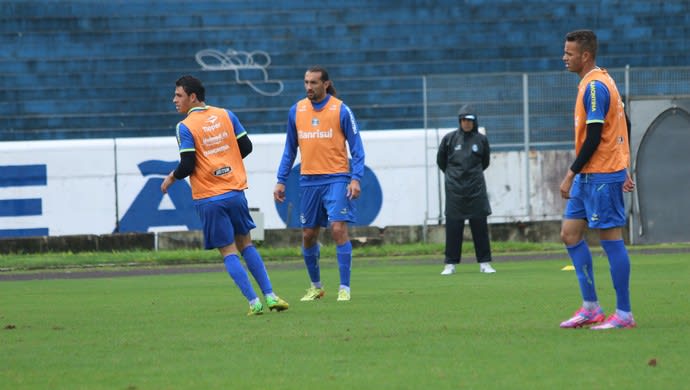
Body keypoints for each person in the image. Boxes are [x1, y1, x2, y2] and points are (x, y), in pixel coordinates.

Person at [161, 75, 289, 316]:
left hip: (209, 197)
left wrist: (171, 177)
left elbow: (187, 164)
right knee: (246, 244)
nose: (174, 100)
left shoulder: (185, 126)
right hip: (234, 191)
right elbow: (247, 147)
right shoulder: (225, 114)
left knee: (229, 251)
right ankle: (270, 295)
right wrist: (225, 162)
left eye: (178, 95)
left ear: (193, 97)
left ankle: (254, 302)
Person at [559, 30, 636, 330]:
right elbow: (624, 123)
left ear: (585, 55)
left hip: (601, 174)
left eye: (569, 53)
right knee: (570, 234)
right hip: (593, 173)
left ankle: (624, 314)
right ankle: (591, 307)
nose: (564, 58)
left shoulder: (594, 87)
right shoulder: (602, 80)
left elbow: (593, 138)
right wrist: (624, 161)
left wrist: (570, 174)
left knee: (610, 240)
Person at [273, 66, 365, 302]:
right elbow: (289, 149)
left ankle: (344, 287)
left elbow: (356, 147)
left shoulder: (341, 109)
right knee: (308, 235)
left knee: (337, 229)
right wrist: (281, 180)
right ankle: (316, 287)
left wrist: (356, 177)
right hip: (309, 181)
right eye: (306, 82)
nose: (308, 87)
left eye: (313, 83)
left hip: (337, 177)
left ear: (326, 84)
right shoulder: (297, 110)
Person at [436, 105, 497, 275]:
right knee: (454, 227)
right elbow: (441, 161)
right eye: (463, 120)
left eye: (469, 120)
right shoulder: (449, 139)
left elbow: (485, 162)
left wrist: (472, 177)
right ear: (459, 121)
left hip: (476, 189)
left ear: (474, 121)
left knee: (480, 227)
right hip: (455, 190)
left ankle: (485, 263)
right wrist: (453, 177)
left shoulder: (481, 140)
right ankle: (450, 264)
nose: (466, 123)